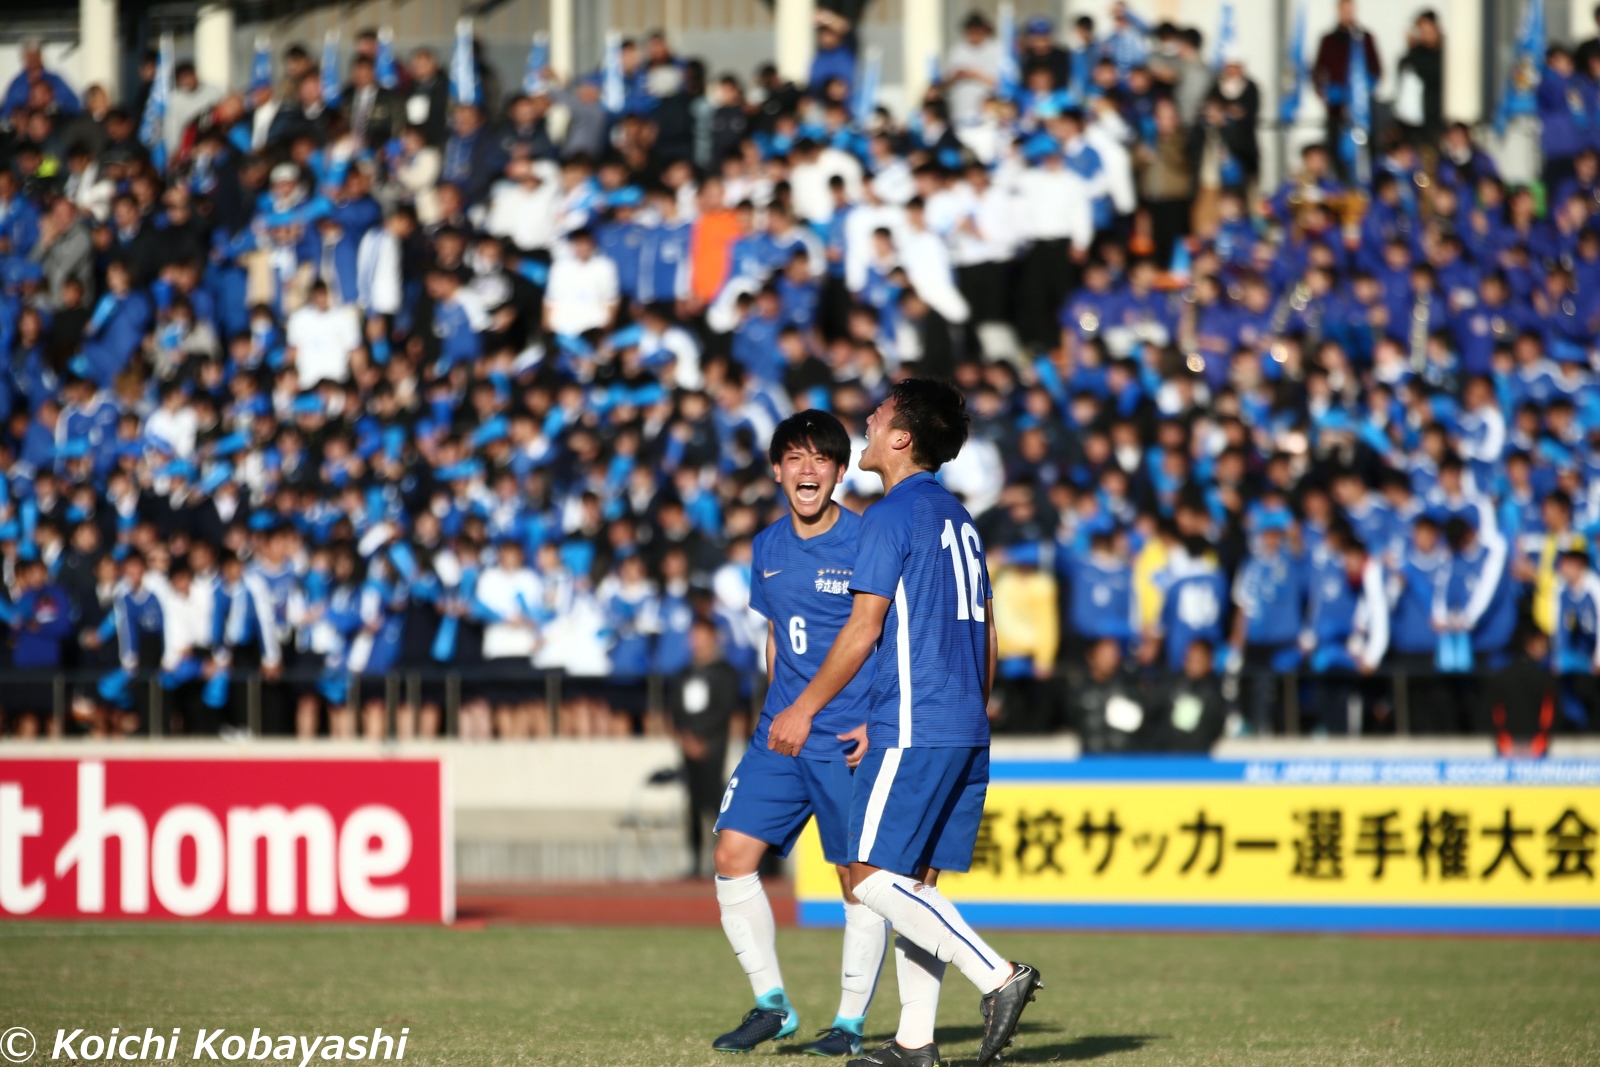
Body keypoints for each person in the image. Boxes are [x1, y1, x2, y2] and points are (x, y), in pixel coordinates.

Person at [767, 378, 1042, 1067]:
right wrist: (960, 714)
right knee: (914, 884)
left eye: (879, 412)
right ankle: (916, 1042)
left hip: (919, 723)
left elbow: (864, 627)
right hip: (958, 722)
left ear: (901, 438)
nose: (866, 418)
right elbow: (988, 638)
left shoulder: (891, 515)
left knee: (865, 873)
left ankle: (998, 975)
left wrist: (803, 705)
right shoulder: (959, 518)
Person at [709, 410, 885, 1057]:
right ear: (778, 469)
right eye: (795, 457)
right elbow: (779, 639)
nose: (807, 469)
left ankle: (848, 1024)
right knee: (732, 856)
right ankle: (771, 1004)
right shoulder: (767, 547)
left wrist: (877, 719)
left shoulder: (871, 541)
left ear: (840, 472)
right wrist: (776, 708)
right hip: (781, 732)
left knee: (857, 878)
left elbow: (892, 640)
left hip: (847, 739)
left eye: (821, 459)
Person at [668, 616, 742, 875]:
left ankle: (723, 858)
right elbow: (676, 710)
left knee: (716, 803)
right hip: (688, 747)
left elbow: (724, 709)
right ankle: (694, 860)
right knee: (693, 803)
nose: (697, 642)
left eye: (702, 635)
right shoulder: (683, 674)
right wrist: (686, 737)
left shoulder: (725, 672)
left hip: (714, 746)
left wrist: (703, 737)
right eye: (693, 636)